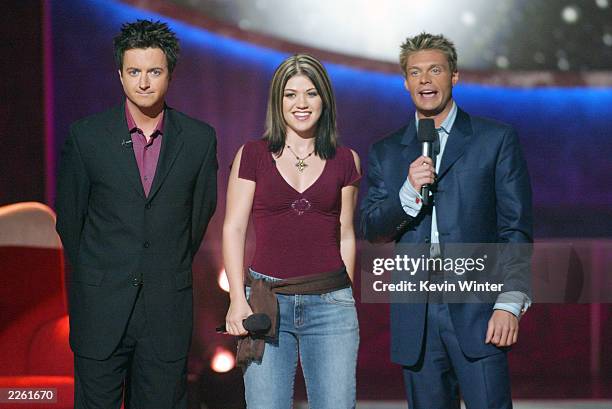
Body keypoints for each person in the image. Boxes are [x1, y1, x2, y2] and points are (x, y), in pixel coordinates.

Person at [360, 33, 533, 409]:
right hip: (417, 319)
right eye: (415, 72)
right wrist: (407, 190)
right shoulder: (387, 152)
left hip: (480, 309)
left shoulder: (494, 139)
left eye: (435, 70)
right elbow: (372, 228)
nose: (425, 80)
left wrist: (509, 302)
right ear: (405, 82)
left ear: (454, 76)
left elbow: (514, 228)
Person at [55, 20, 217, 409]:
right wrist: (103, 271)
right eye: (134, 71)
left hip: (166, 311)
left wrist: (162, 261)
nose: (144, 82)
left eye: (154, 71)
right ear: (120, 74)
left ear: (170, 74)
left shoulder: (198, 139)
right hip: (100, 310)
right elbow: (70, 221)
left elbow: (197, 219)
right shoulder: (86, 137)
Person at [223, 54, 361, 409]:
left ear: (324, 99)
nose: (301, 104)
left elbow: (345, 231)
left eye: (311, 93)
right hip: (267, 302)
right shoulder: (252, 154)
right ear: (277, 101)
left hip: (331, 304)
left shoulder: (346, 159)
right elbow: (234, 227)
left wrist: (345, 294)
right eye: (290, 94)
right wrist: (238, 298)